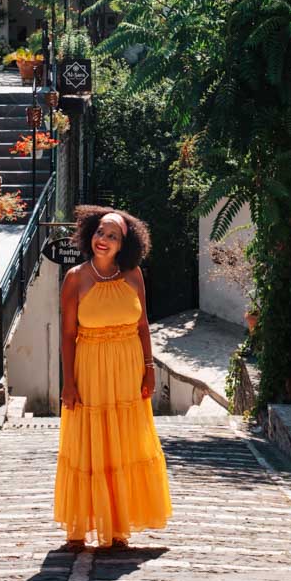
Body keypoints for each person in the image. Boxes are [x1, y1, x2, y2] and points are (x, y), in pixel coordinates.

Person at [53, 206, 173, 549]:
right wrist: (69, 383)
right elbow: (66, 335)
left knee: (124, 443)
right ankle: (79, 529)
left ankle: (118, 528)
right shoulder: (75, 277)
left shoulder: (133, 275)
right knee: (89, 444)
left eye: (112, 236)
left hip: (128, 367)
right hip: (89, 367)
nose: (103, 240)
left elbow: (143, 326)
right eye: (100, 232)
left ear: (125, 244)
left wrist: (149, 369)